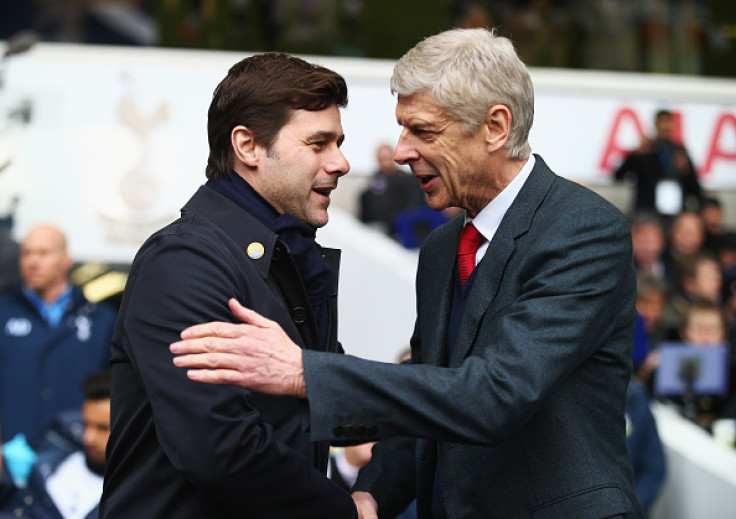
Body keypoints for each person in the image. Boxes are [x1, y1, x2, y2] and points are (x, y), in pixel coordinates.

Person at [171, 28, 644, 518]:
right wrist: (372, 494)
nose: (400, 151)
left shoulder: (583, 230)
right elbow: (426, 404)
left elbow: (495, 394)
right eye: (403, 129)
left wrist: (301, 372)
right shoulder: (443, 249)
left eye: (423, 131)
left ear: (496, 127)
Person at [99, 53, 356, 518]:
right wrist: (343, 512)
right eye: (318, 143)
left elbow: (327, 401)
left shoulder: (286, 255)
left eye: (338, 142)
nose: (341, 162)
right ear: (248, 146)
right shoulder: (184, 263)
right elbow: (218, 446)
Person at [0, 224, 116, 444]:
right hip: (11, 452)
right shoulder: (3, 313)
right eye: (27, 253)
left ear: (66, 260)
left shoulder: (101, 319)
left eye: (43, 253)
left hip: (76, 451)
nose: (33, 261)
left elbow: (112, 393)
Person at [0, 370, 111, 519]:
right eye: (85, 424)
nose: (88, 438)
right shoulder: (49, 458)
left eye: (103, 428)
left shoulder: (139, 495)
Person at [614, 109, 702, 216]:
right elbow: (619, 176)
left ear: (673, 125)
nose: (665, 126)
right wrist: (635, 155)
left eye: (668, 122)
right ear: (656, 124)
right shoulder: (646, 150)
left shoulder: (680, 152)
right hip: (648, 212)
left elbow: (695, 188)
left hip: (675, 212)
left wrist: (686, 170)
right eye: (662, 122)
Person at [359, 142, 430, 244]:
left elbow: (415, 205)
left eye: (387, 158)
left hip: (404, 226)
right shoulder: (374, 182)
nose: (385, 163)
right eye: (381, 159)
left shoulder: (408, 179)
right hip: (379, 227)